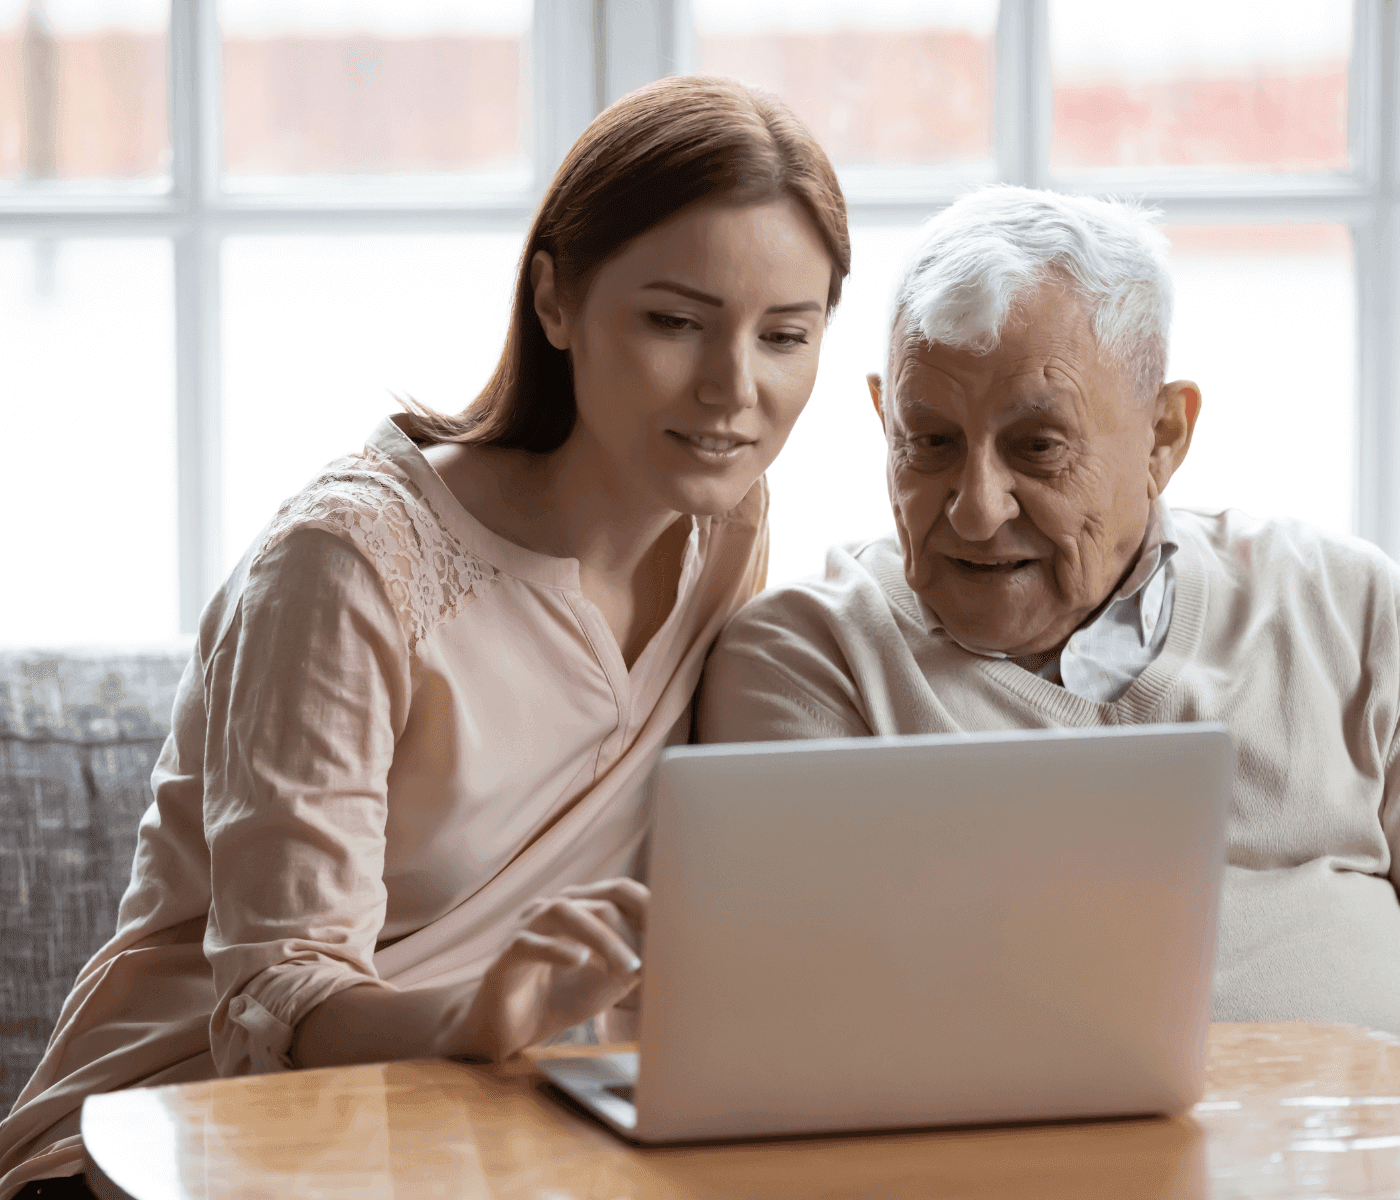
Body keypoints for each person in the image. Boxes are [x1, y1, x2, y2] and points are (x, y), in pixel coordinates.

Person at [0, 76, 849, 1199]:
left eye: (784, 336)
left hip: (478, 1135)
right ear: (554, 302)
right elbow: (276, 1001)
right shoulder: (347, 565)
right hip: (180, 1137)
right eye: (674, 323)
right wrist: (473, 1014)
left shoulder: (724, 532)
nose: (733, 391)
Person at [698, 185, 1400, 1035]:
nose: (975, 509)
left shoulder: (1348, 604)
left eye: (1038, 447)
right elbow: (811, 1019)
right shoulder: (811, 658)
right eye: (931, 442)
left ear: (1164, 436)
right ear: (885, 420)